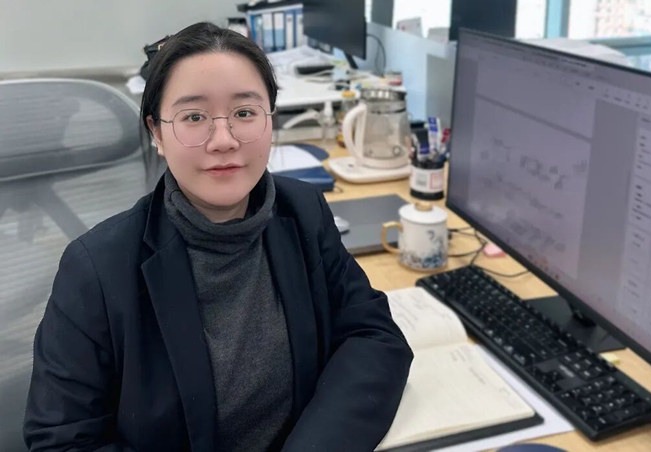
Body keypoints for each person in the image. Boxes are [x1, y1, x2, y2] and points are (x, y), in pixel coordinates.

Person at [23, 22, 413, 452]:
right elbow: (63, 440)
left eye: (245, 113)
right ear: (157, 133)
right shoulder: (96, 269)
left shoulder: (304, 212)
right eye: (194, 117)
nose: (224, 140)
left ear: (270, 119)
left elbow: (373, 334)